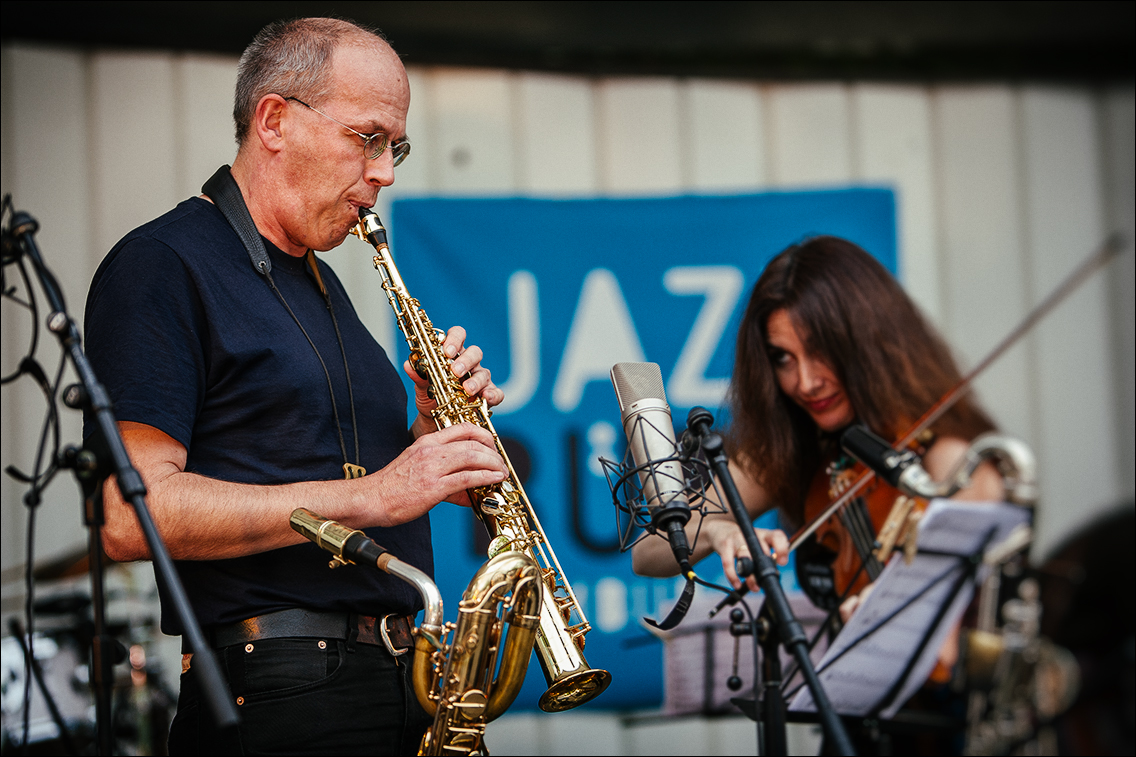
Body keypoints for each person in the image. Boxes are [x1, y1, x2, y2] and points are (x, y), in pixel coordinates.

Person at [83, 17, 509, 755]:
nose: (386, 173)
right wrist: (379, 493)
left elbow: (346, 472)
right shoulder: (162, 264)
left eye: (395, 147)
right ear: (275, 120)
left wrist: (432, 441)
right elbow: (127, 513)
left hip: (403, 680)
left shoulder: (323, 282)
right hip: (280, 689)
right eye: (367, 138)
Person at [632, 235, 1004, 626]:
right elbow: (648, 551)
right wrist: (717, 533)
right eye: (783, 358)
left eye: (820, 350)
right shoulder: (796, 442)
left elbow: (981, 535)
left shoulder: (941, 446)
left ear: (867, 340)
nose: (806, 382)